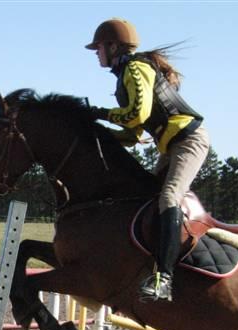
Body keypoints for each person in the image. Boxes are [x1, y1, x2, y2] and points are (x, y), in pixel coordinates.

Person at [85, 18, 210, 302]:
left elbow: (135, 116)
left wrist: (100, 114)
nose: (96, 53)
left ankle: (164, 278)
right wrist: (97, 134)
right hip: (170, 146)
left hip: (189, 141)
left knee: (168, 199)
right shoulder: (123, 76)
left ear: (113, 46)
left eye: (99, 47)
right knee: (142, 197)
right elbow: (131, 135)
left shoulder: (135, 67)